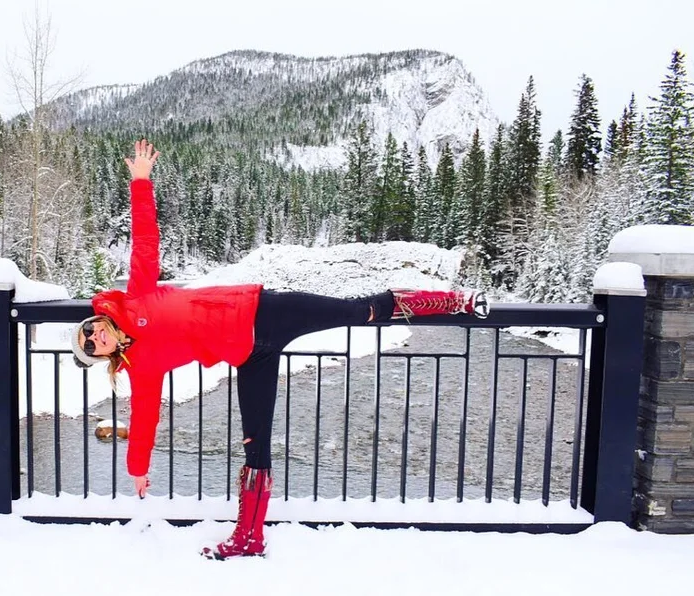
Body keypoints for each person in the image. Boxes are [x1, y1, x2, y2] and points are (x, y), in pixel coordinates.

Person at [70, 139, 489, 560]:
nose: (93, 338)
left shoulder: (137, 296)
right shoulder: (141, 366)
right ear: (102, 357)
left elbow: (145, 241)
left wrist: (141, 181)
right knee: (256, 445)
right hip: (252, 358)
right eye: (90, 347)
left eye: (88, 331)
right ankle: (249, 538)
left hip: (264, 311)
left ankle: (455, 301)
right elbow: (144, 416)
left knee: (358, 310)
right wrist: (138, 469)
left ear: (96, 320)